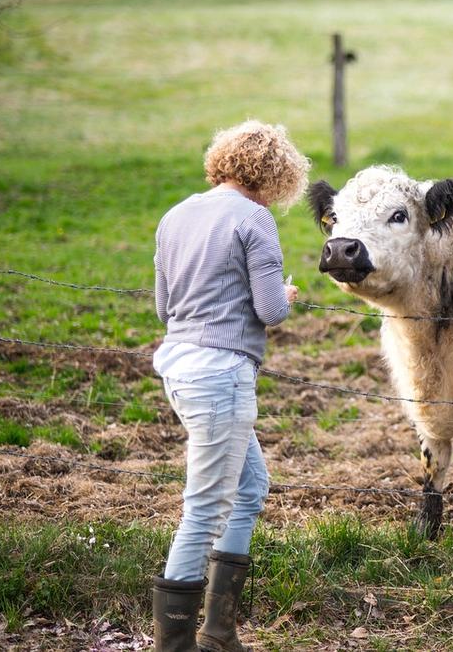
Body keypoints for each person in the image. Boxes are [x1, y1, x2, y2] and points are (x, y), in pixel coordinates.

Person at [151, 120, 308, 652]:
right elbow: (268, 310)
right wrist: (285, 296)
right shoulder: (255, 218)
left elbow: (163, 307)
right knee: (206, 505)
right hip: (221, 374)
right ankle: (175, 645)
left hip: (178, 365)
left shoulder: (175, 215)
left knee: (249, 487)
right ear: (277, 174)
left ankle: (219, 631)